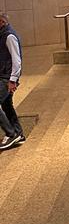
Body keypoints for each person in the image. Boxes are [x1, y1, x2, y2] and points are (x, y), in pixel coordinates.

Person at [0, 13, 24, 150]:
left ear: (2, 22)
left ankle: (11, 133)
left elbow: (16, 60)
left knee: (5, 104)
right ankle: (18, 133)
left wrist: (13, 80)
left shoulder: (9, 36)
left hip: (6, 78)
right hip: (4, 76)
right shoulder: (2, 35)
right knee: (6, 105)